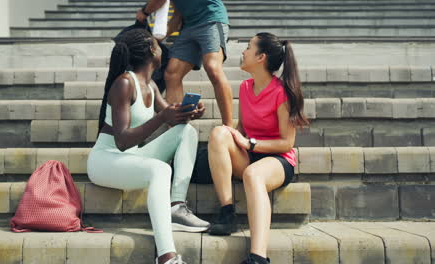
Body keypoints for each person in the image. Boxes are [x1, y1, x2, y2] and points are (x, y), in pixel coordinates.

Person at [87, 28, 210, 264]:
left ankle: (176, 206)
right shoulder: (124, 83)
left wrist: (189, 112)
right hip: (106, 160)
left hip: (130, 157)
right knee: (160, 169)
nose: (162, 47)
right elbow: (122, 141)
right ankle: (167, 257)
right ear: (151, 51)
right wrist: (163, 117)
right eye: (157, 43)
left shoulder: (151, 85)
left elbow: (171, 119)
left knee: (186, 132)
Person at [207, 33, 309, 264]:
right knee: (218, 132)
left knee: (253, 175)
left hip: (278, 160)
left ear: (261, 57)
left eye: (248, 47)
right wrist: (231, 140)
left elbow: (287, 142)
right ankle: (227, 212)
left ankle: (258, 257)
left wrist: (250, 143)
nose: (243, 52)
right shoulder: (245, 87)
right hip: (250, 154)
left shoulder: (282, 93)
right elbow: (242, 128)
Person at [136, 0, 234, 126]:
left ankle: (229, 128)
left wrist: (144, 12)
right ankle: (176, 126)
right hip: (188, 27)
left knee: (212, 67)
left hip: (211, 19)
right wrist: (154, 40)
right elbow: (177, 17)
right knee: (172, 73)